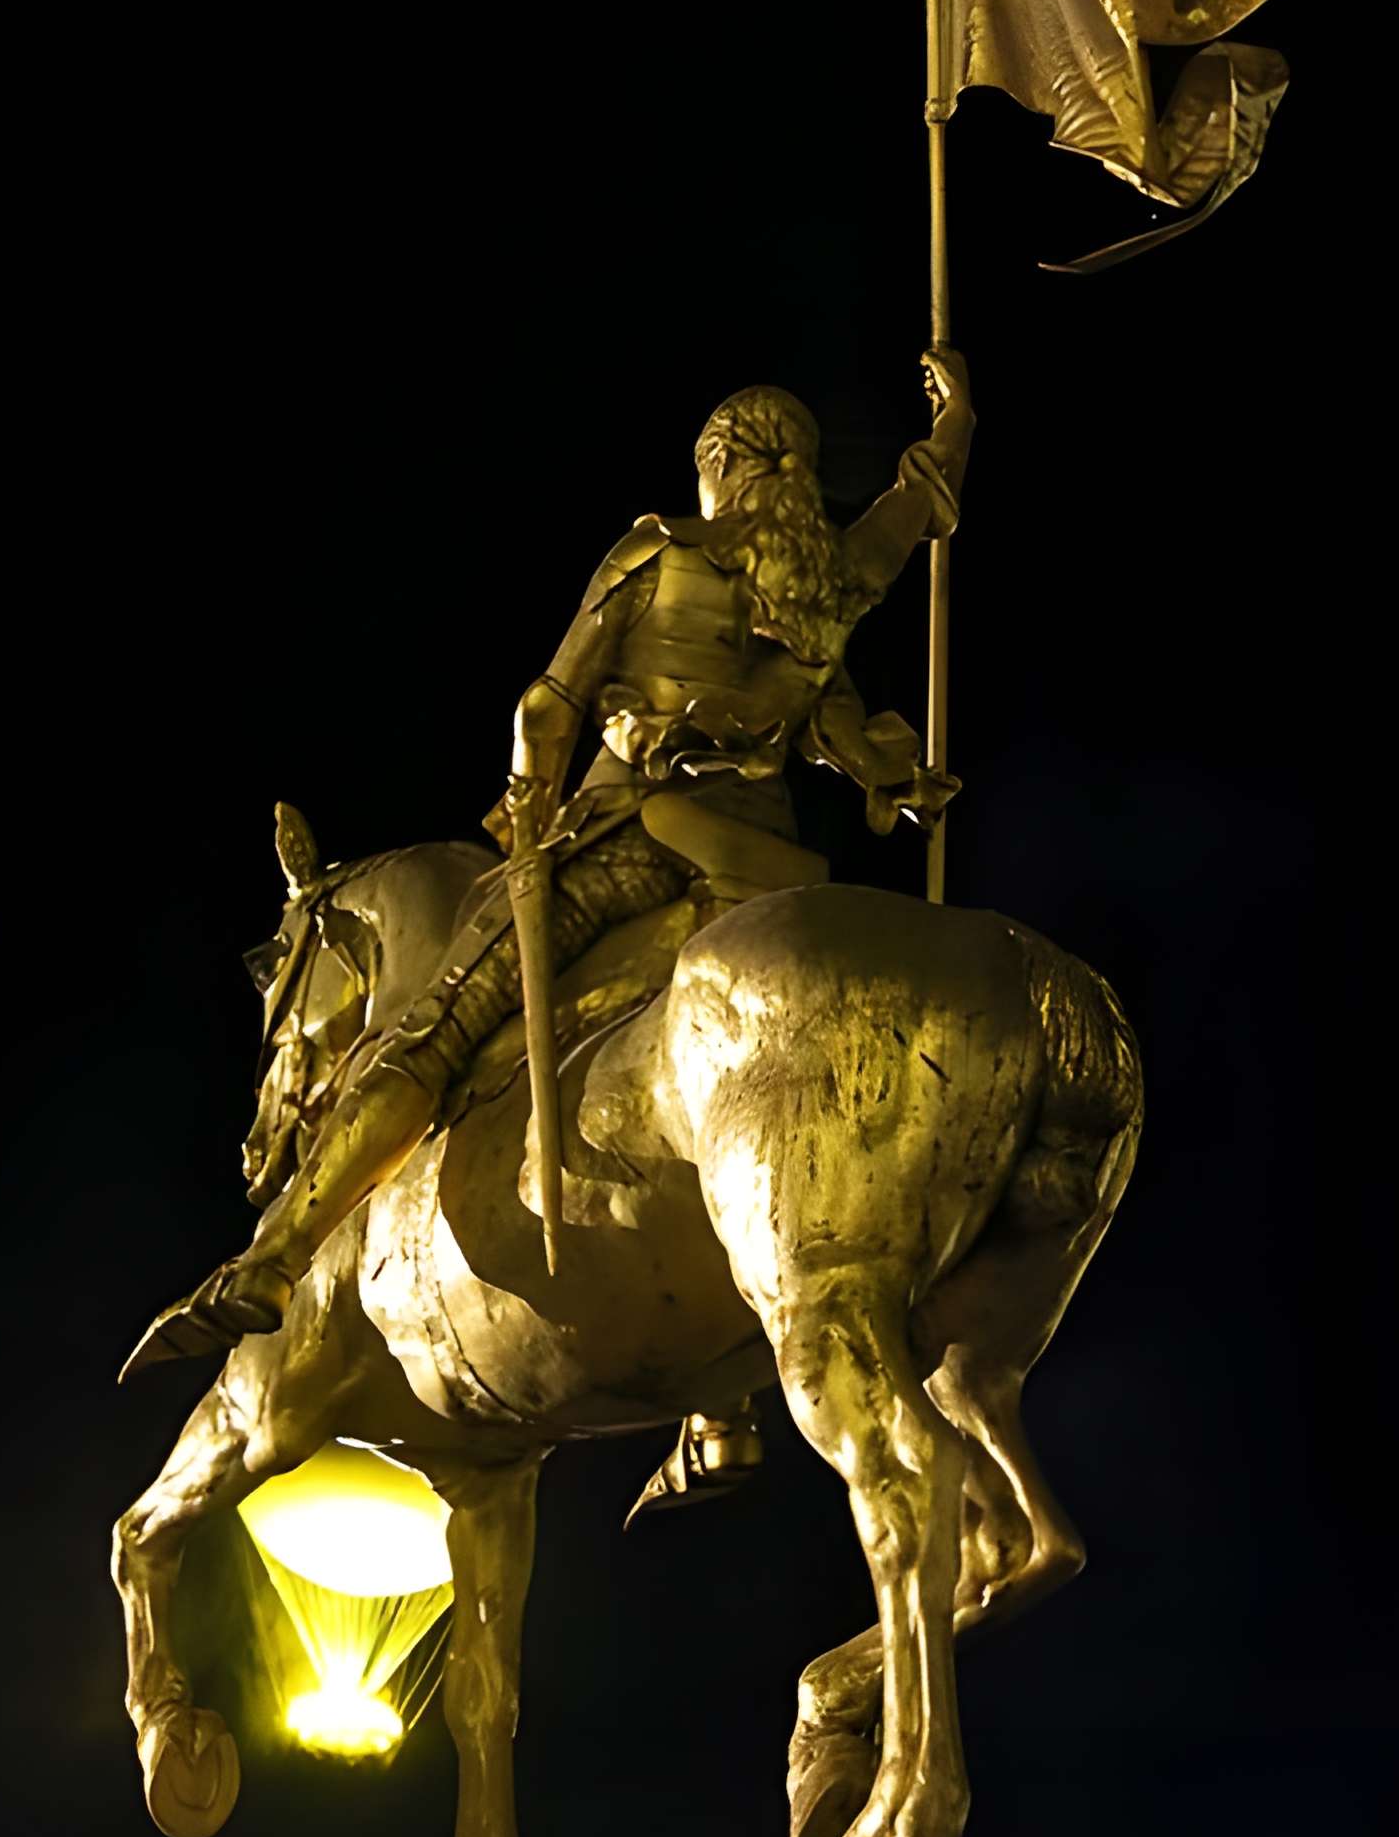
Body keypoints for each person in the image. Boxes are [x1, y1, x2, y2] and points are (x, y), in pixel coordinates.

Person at [148, 350, 975, 1389]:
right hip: (766, 874)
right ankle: (716, 1409)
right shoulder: (830, 592)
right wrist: (957, 426)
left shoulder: (657, 555)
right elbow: (915, 516)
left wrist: (531, 803)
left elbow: (548, 705)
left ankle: (274, 1259)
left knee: (434, 1029)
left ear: (721, 462)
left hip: (631, 845)